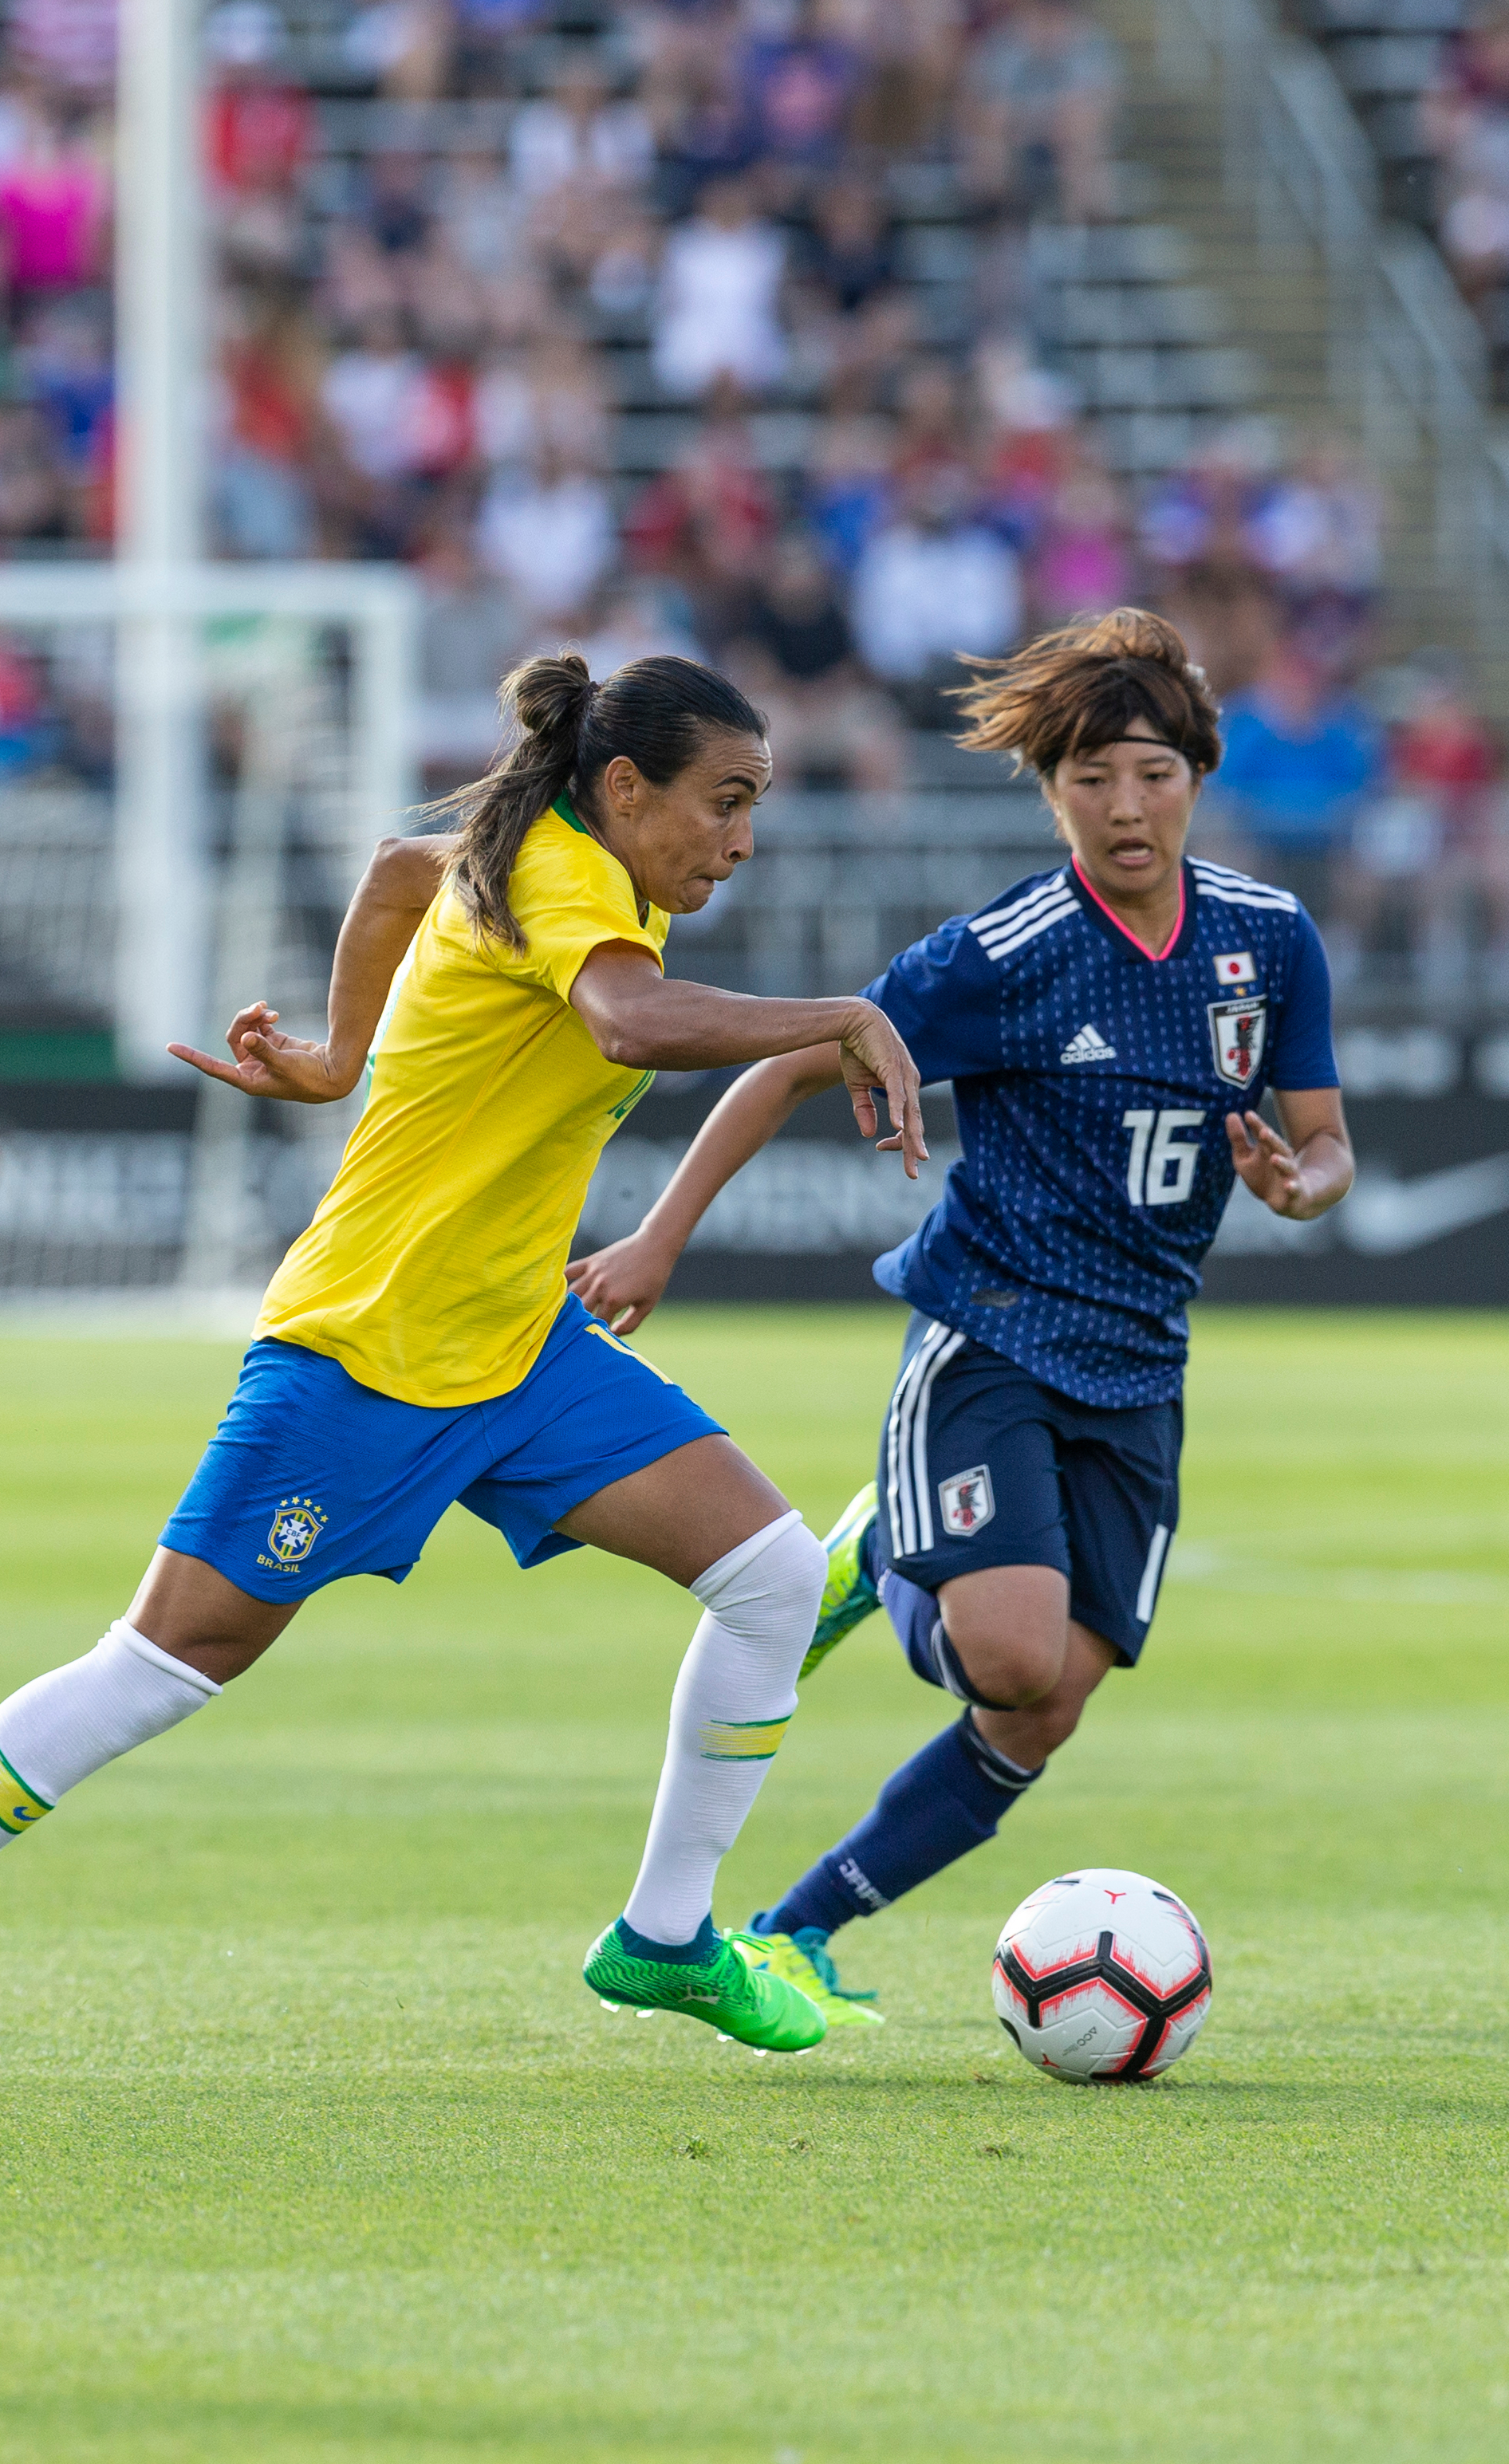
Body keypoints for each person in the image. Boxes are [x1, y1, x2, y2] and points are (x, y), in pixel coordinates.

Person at [0, 651, 936, 2091]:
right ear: (624, 789)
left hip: (514, 1344)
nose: (742, 839)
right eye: (724, 802)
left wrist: (338, 1057)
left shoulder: (547, 862)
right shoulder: (567, 884)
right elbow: (629, 1024)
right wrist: (835, 1013)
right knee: (167, 1662)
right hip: (366, 1348)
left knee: (763, 1577)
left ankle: (664, 1935)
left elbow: (391, 869)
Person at [567, 609, 1355, 2023]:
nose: (1125, 806)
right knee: (1001, 1646)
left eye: (1154, 773)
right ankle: (888, 1546)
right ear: (1049, 787)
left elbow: (1325, 1141)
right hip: (989, 1333)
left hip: (1139, 1369)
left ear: (1199, 774)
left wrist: (1302, 1187)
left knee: (1042, 1702)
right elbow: (798, 1062)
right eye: (1091, 777)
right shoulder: (1010, 951)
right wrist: (659, 1233)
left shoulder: (1268, 940)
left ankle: (799, 1930)